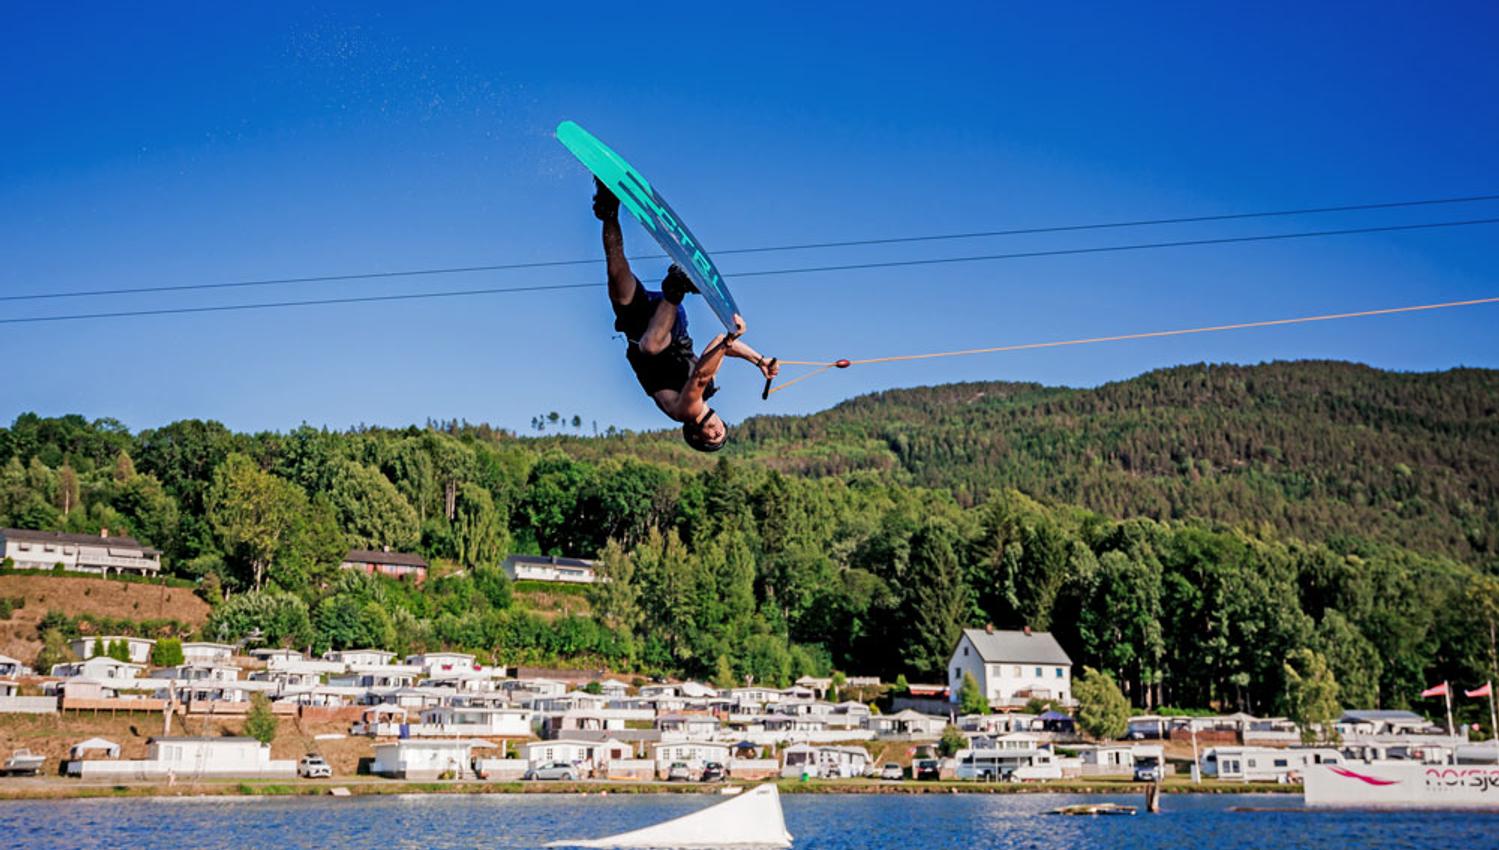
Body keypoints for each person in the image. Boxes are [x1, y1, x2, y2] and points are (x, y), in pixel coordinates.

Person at [593, 179, 778, 452]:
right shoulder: (705, 396)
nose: (717, 432)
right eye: (720, 434)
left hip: (640, 329)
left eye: (711, 437)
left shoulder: (687, 411)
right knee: (653, 344)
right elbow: (719, 344)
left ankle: (608, 210)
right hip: (667, 324)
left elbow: (700, 375)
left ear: (695, 434)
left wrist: (730, 339)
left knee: (616, 272)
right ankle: (676, 286)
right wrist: (759, 360)